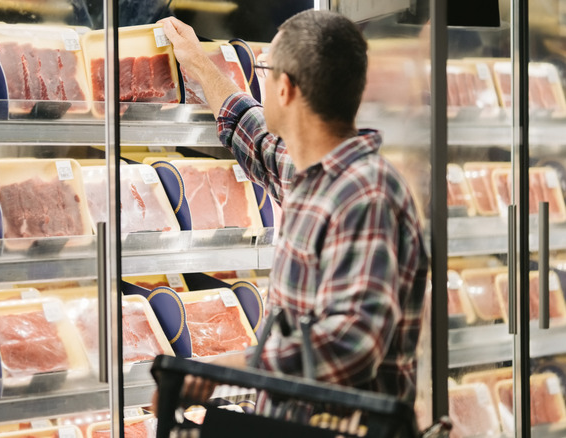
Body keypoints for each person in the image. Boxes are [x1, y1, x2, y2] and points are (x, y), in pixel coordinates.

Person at [156, 10, 429, 407]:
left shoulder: (365, 195)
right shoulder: (314, 173)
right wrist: (198, 65)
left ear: (284, 89)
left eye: (265, 71)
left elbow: (351, 344)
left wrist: (227, 369)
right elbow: (256, 137)